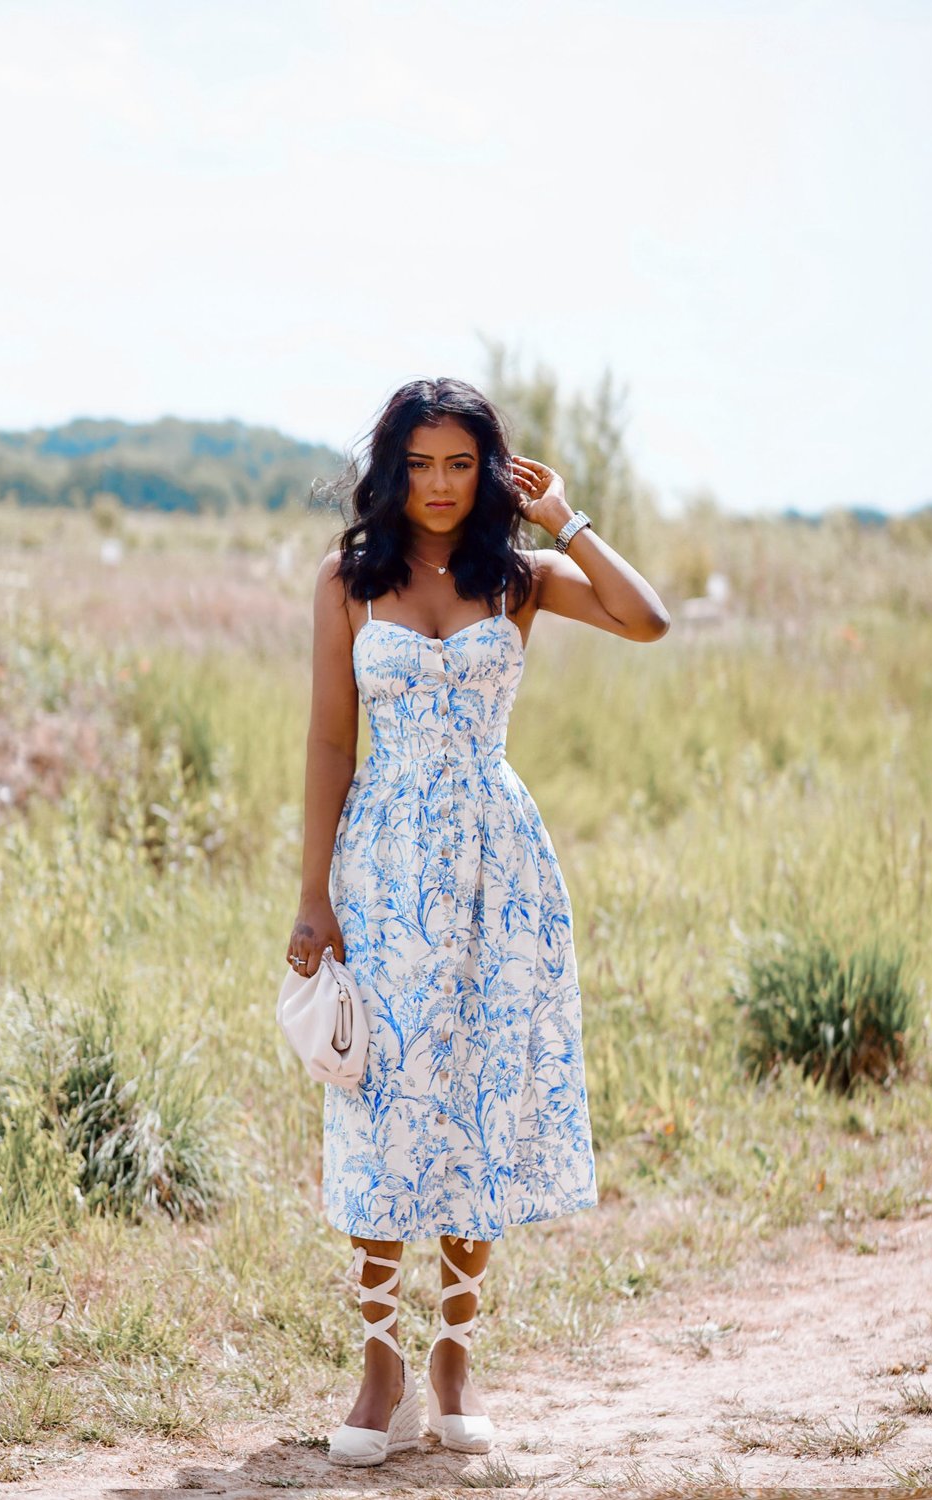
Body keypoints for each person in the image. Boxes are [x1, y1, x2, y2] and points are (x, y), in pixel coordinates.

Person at [285, 376, 670, 1467]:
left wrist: (569, 519)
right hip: (382, 864)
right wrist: (314, 894)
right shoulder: (349, 579)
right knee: (379, 1101)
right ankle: (379, 1361)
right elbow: (327, 743)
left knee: (477, 1098)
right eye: (420, 464)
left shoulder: (523, 578)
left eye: (461, 464)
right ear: (392, 468)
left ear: (490, 470)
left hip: (502, 871)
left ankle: (453, 1355)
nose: (441, 486)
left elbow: (649, 619)